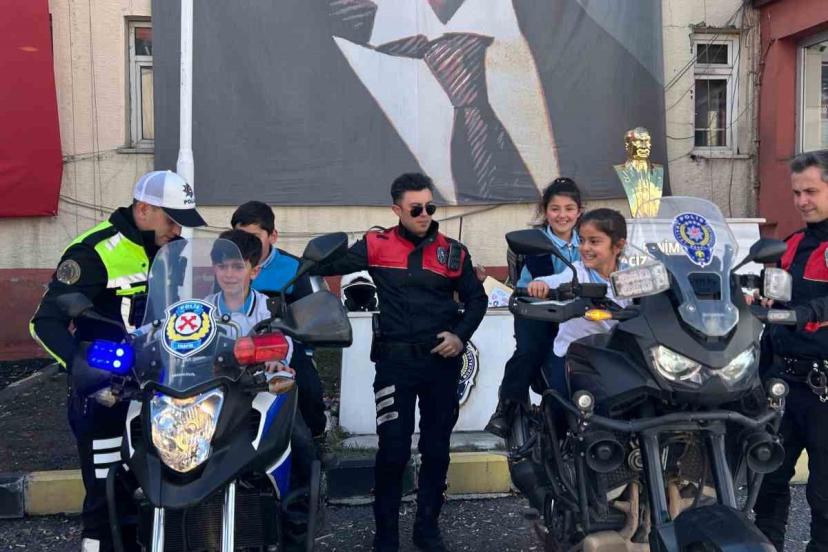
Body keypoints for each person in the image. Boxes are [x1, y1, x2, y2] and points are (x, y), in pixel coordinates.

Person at [29, 170, 207, 552]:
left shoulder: (168, 250)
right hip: (106, 395)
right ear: (143, 210)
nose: (178, 230)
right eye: (172, 220)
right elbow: (44, 323)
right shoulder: (93, 252)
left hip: (159, 391)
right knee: (107, 497)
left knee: (164, 489)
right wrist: (82, 364)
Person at [312, 173, 488, 552]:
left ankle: (427, 530)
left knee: (436, 449)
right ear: (397, 210)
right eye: (416, 209)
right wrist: (273, 260)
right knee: (393, 451)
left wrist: (460, 336)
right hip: (394, 364)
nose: (425, 215)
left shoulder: (453, 251)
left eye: (430, 207)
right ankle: (386, 536)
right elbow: (324, 264)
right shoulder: (376, 244)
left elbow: (477, 300)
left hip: (441, 365)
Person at [205, 229, 314, 552]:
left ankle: (296, 525)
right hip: (209, 397)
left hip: (259, 394)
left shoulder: (271, 309)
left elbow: (285, 346)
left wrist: (276, 361)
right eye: (223, 266)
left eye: (238, 267)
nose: (229, 274)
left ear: (254, 270)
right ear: (214, 269)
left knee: (301, 443)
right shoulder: (200, 311)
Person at [752, 149, 828, 552]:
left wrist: (809, 311)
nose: (802, 201)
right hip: (783, 383)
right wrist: (756, 297)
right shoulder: (792, 243)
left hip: (823, 388)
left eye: (811, 191)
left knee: (824, 495)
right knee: (768, 481)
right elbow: (773, 294)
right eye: (797, 192)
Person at [486, 177, 583, 437]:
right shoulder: (535, 241)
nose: (562, 215)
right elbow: (542, 279)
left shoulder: (588, 239)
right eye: (555, 209)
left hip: (578, 313)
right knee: (530, 350)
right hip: (537, 310)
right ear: (545, 211)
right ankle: (507, 406)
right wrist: (539, 285)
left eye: (569, 208)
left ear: (579, 212)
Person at [231, 201, 328, 451]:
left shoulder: (293, 267)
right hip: (233, 346)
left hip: (282, 346)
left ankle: (316, 443)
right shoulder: (225, 267)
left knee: (308, 389)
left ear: (273, 236)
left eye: (253, 237)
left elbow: (308, 316)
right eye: (239, 237)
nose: (246, 244)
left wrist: (300, 353)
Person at [526, 208, 631, 392]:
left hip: (615, 356)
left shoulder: (631, 276)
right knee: (561, 397)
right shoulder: (578, 272)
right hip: (573, 355)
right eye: (582, 240)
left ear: (618, 246)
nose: (585, 248)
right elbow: (556, 280)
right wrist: (540, 284)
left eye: (594, 241)